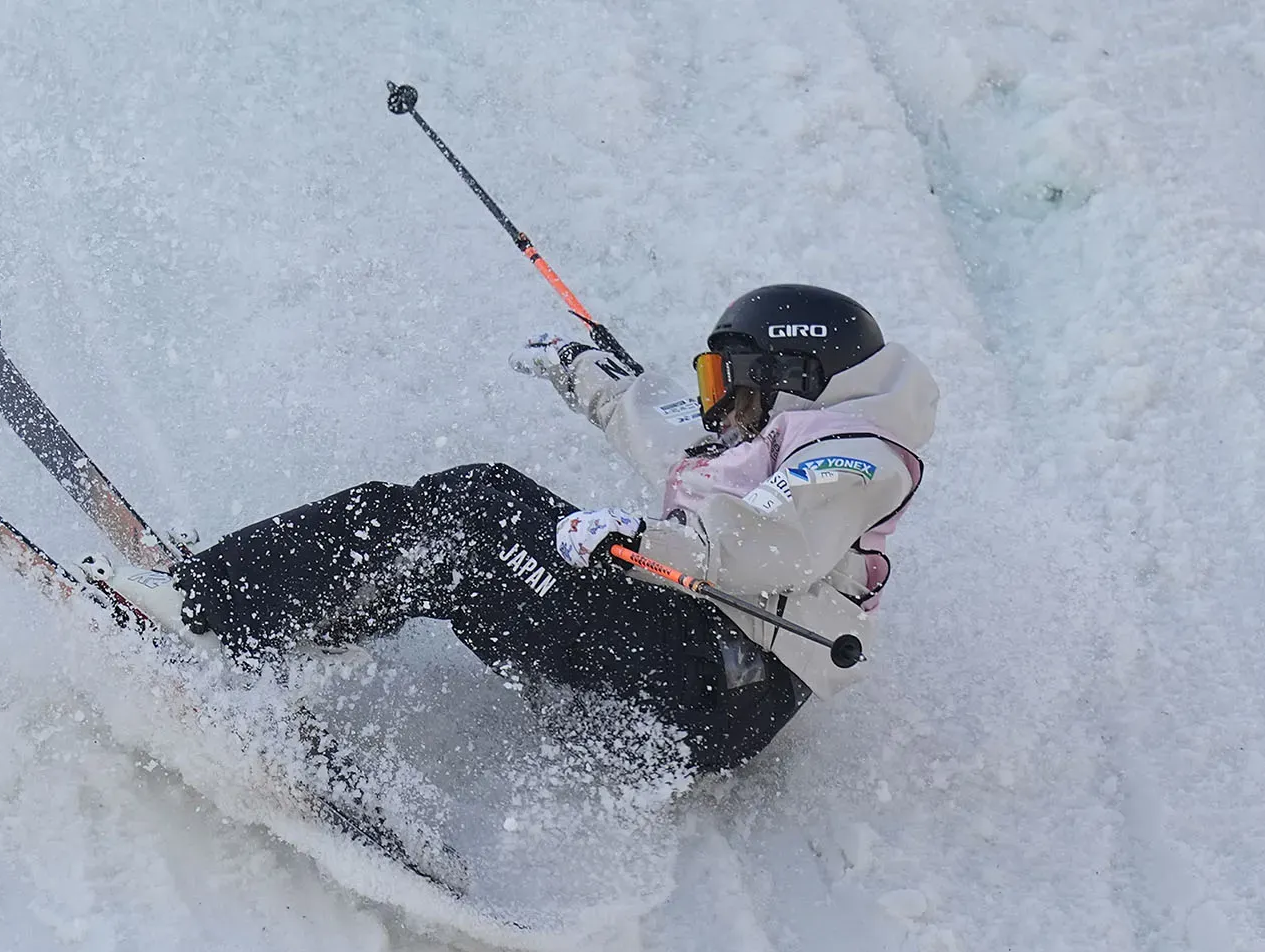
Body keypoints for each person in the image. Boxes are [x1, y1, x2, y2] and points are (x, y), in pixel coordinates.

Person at [103, 284, 938, 773]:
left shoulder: (859, 457)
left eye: (734, 380)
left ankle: (210, 609)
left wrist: (644, 541)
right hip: (683, 685)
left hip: (710, 686)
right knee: (458, 556)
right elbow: (670, 436)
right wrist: (591, 377)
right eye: (711, 378)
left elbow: (764, 543)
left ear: (795, 374)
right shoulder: (773, 439)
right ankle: (276, 618)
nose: (718, 402)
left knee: (476, 506)